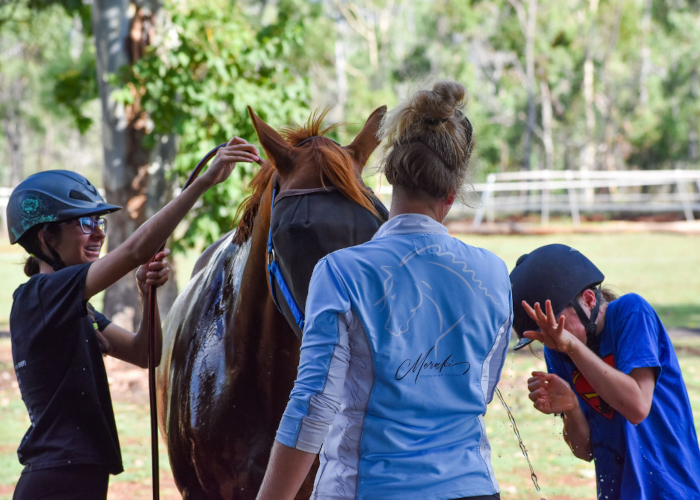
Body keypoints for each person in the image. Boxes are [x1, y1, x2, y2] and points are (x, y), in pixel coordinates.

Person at [256, 80, 513, 500]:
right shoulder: (494, 273)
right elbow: (478, 388)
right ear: (451, 195)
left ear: (390, 177)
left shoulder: (341, 272)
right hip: (474, 487)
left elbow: (314, 405)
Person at [7, 137, 260, 500]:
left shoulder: (73, 306)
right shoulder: (42, 296)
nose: (98, 232)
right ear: (46, 236)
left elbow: (146, 355)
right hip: (57, 481)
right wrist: (203, 182)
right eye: (84, 222)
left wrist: (146, 296)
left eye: (99, 221)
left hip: (78, 477)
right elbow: (136, 250)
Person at [510, 243, 700, 500]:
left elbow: (637, 407)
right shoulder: (560, 349)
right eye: (542, 336)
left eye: (555, 326)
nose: (551, 342)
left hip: (672, 490)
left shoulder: (631, 313)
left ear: (588, 299)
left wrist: (572, 347)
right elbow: (585, 450)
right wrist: (571, 409)